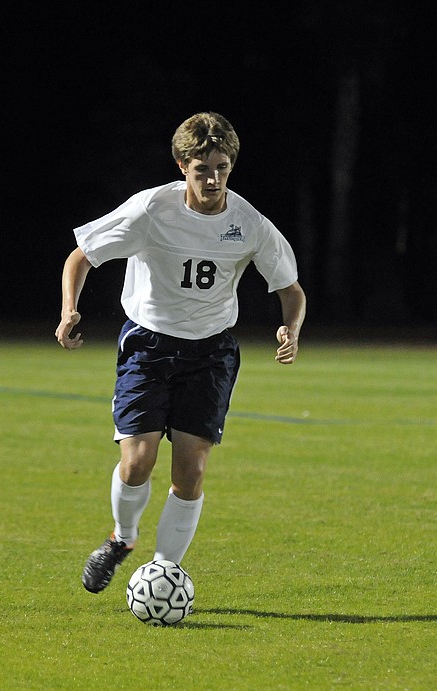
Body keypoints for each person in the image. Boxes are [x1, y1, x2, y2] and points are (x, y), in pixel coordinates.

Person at [55, 112, 307, 594]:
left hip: (211, 352)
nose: (213, 180)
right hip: (148, 345)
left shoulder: (248, 223)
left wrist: (290, 330)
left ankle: (164, 571)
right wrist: (69, 310)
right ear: (182, 166)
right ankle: (122, 538)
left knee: (190, 470)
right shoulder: (152, 209)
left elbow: (291, 290)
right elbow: (81, 257)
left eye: (222, 168)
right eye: (202, 169)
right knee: (137, 462)